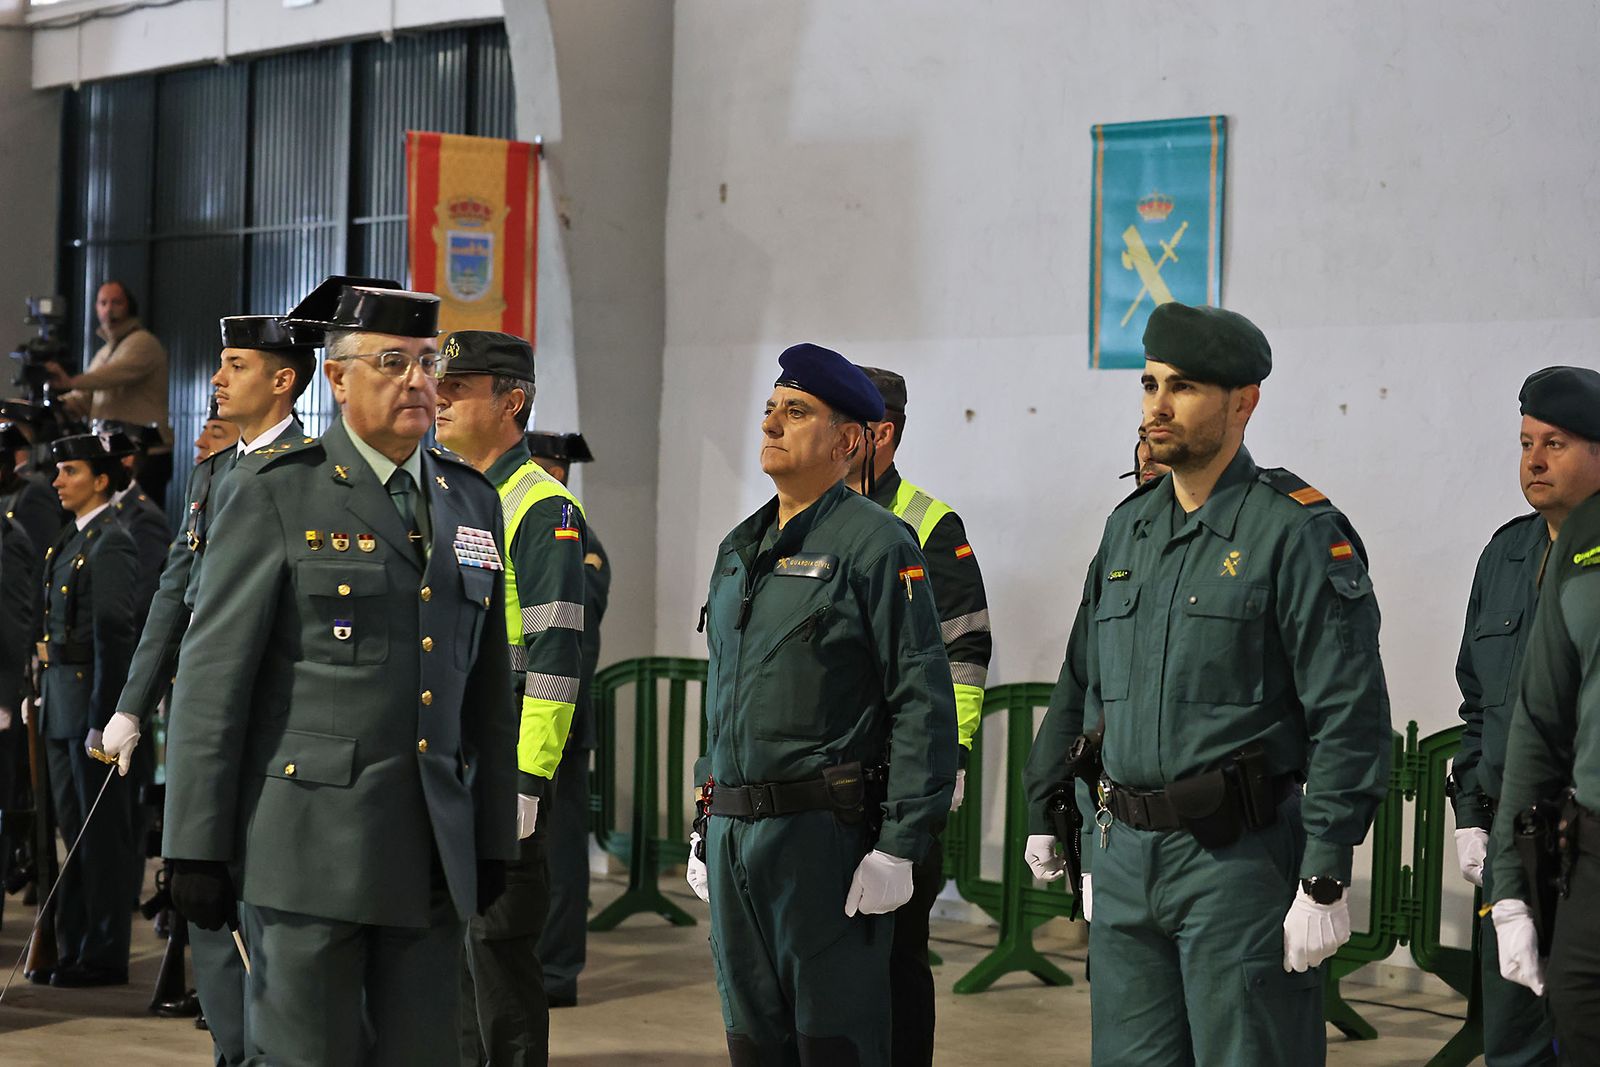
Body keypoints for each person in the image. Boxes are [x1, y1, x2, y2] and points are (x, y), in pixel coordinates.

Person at [159, 279, 517, 1065]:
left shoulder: (469, 500)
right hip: (306, 853)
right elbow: (214, 679)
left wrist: (493, 837)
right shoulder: (276, 491)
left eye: (430, 363)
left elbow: (487, 692)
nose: (419, 381)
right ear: (338, 377)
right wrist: (193, 842)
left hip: (429, 850)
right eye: (394, 361)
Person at [1030, 302, 1392, 1065]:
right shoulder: (1128, 530)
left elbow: (1348, 713)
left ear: (1243, 402)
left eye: (1183, 387)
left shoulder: (1294, 531)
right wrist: (1052, 807)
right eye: (1151, 383)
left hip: (1238, 860)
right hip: (1125, 857)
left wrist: (1325, 869)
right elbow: (1085, 679)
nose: (1156, 405)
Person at [687, 342, 957, 1066]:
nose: (772, 422)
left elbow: (919, 697)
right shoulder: (740, 547)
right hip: (738, 836)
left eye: (796, 411)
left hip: (823, 842)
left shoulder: (876, 543)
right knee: (753, 1041)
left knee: (833, 1043)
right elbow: (724, 693)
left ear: (847, 441)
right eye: (770, 408)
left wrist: (900, 841)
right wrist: (704, 815)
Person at [100, 312, 320, 1066]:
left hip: (270, 723)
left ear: (283, 379)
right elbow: (175, 591)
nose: (218, 378)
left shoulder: (314, 469)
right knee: (201, 898)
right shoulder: (217, 470)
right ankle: (233, 1047)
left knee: (259, 906)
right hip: (198, 722)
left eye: (235, 364)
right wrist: (133, 701)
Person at [434, 330, 590, 1067]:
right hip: (445, 767)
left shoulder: (540, 506)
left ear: (511, 400)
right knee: (450, 964)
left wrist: (528, 779)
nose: (439, 396)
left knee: (498, 961)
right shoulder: (449, 492)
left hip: (501, 774)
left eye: (459, 387)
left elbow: (557, 654)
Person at [1449, 367, 1600, 1065]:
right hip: (1516, 842)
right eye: (1526, 442)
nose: (1534, 461)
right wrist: (1471, 811)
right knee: (1511, 1040)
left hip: (1587, 845)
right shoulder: (1505, 554)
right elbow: (1480, 702)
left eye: (1557, 444)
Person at [845, 364, 991, 1067]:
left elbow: (966, 649)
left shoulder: (931, 524)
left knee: (899, 954)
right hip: (823, 783)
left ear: (882, 432)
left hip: (899, 780)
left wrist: (953, 754)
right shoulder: (803, 518)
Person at [36, 432, 141, 986]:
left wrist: (106, 716)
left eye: (70, 471)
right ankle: (73, 945)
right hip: (60, 701)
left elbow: (114, 636)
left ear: (101, 480)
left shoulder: (112, 541)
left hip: (87, 708)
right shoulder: (70, 540)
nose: (58, 481)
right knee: (70, 834)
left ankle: (102, 953)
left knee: (99, 837)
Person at [524, 429, 609, 1009]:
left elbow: (574, 616)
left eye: (556, 469)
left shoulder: (574, 534)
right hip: (520, 719)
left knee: (560, 854)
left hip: (561, 724)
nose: (550, 476)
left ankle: (556, 972)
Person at [46, 281, 174, 503]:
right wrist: (52, 405)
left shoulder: (143, 342)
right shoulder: (105, 351)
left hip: (143, 455)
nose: (109, 308)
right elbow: (85, 398)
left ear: (129, 307)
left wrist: (69, 381)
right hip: (113, 454)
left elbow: (112, 375)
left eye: (116, 302)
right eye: (103, 303)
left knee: (139, 522)